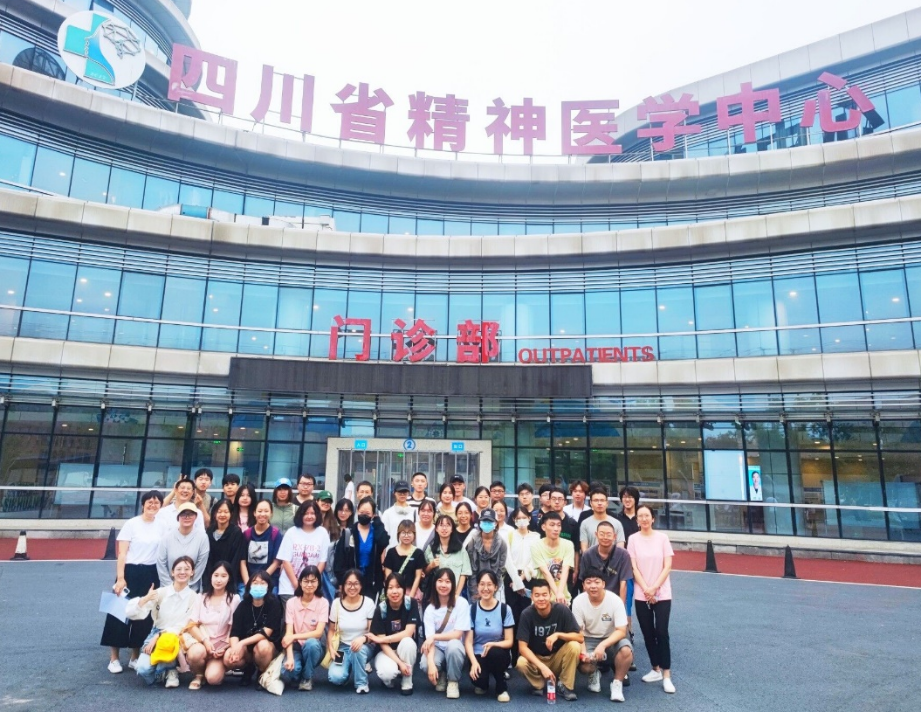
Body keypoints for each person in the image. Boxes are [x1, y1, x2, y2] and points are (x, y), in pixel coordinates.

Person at [100, 489, 165, 674]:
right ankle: (114, 659)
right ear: (143, 504)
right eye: (149, 502)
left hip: (151, 573)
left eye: (157, 502)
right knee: (118, 614)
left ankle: (135, 657)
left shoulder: (162, 526)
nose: (153, 505)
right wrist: (121, 578)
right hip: (129, 571)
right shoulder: (132, 524)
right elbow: (122, 553)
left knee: (144, 615)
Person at [126, 555, 198, 688]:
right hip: (157, 631)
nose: (182, 572)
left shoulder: (194, 598)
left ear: (192, 572)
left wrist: (159, 636)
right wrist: (145, 598)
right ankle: (165, 669)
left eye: (187, 569)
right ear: (172, 572)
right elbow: (132, 613)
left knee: (169, 640)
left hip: (178, 636)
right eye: (179, 569)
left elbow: (184, 624)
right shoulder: (161, 593)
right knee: (142, 669)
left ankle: (171, 669)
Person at [627, 505, 675, 694]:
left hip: (662, 592)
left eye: (647, 515)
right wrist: (646, 590)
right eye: (640, 516)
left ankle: (667, 674)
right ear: (637, 520)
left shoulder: (662, 538)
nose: (644, 519)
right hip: (642, 593)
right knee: (647, 632)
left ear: (653, 518)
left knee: (661, 632)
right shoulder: (633, 539)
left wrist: (654, 588)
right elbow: (633, 567)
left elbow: (667, 566)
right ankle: (655, 669)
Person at [515, 579, 582, 702]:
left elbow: (580, 637)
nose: (541, 598)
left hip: (557, 657)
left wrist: (558, 634)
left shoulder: (562, 610)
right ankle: (539, 684)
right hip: (537, 659)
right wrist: (542, 666)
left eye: (544, 594)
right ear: (532, 597)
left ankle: (565, 685)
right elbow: (522, 648)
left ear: (550, 595)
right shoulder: (526, 614)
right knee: (521, 662)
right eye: (537, 595)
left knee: (574, 646)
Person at [572, 568, 634, 703]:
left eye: (597, 582)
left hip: (611, 638)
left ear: (603, 584)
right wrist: (584, 653)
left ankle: (617, 683)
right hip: (588, 639)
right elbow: (578, 632)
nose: (593, 586)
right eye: (588, 582)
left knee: (626, 651)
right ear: (583, 586)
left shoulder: (615, 600)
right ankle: (594, 672)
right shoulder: (578, 602)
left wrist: (603, 645)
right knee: (583, 665)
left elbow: (621, 631)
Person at [185, 561, 241, 689]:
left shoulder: (234, 599)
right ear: (210, 576)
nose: (219, 580)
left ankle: (213, 668)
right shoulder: (201, 597)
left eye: (223, 576)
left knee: (213, 679)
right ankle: (199, 674)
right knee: (195, 653)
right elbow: (191, 624)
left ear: (229, 578)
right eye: (216, 575)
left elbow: (233, 629)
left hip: (222, 646)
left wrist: (224, 647)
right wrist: (205, 641)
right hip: (202, 641)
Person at [226, 569, 284, 686]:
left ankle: (261, 672)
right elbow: (235, 632)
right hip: (248, 648)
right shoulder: (243, 605)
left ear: (268, 587)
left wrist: (241, 643)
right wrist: (235, 649)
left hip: (268, 646)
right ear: (249, 586)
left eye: (262, 583)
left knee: (262, 646)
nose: (258, 586)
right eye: (255, 583)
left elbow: (266, 632)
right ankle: (248, 668)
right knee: (227, 658)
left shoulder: (274, 604)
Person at [464, 571, 515, 702]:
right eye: (482, 584)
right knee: (479, 681)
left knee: (494, 653)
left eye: (489, 584)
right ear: (477, 586)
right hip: (478, 654)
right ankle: (484, 682)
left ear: (496, 587)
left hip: (498, 653)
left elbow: (509, 641)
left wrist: (493, 644)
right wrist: (473, 662)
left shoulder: (505, 609)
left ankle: (501, 686)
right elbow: (468, 642)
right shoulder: (471, 610)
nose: (485, 588)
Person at [420, 568, 470, 699]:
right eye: (440, 581)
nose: (443, 585)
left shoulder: (461, 603)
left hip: (455, 646)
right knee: (425, 664)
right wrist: (431, 664)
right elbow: (429, 642)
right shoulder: (430, 609)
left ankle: (453, 681)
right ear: (434, 583)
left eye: (448, 582)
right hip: (437, 647)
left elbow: (457, 634)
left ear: (453, 584)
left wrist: (434, 636)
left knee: (453, 646)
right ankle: (441, 673)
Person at [368, 572, 420, 695]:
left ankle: (407, 681)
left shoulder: (411, 603)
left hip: (404, 649)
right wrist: (400, 663)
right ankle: (389, 679)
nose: (394, 591)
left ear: (404, 589)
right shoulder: (381, 609)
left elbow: (408, 633)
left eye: (398, 587)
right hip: (386, 651)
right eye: (390, 588)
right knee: (387, 674)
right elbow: (383, 645)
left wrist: (382, 639)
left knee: (408, 642)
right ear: (386, 591)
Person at [280, 565, 329, 691]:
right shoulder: (291, 602)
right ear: (300, 582)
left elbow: (318, 633)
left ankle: (307, 677)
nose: (309, 585)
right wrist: (290, 657)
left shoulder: (323, 602)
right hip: (296, 647)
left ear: (318, 583)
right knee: (287, 671)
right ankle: (298, 673)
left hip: (315, 647)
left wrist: (294, 636)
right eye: (306, 581)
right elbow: (288, 633)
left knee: (311, 643)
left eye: (313, 581)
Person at [327, 568, 376, 693]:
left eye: (356, 583)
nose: (352, 587)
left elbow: (373, 632)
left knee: (357, 650)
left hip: (364, 646)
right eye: (349, 583)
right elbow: (331, 630)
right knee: (335, 677)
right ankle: (348, 668)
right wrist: (331, 649)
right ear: (343, 586)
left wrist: (363, 639)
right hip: (343, 647)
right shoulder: (336, 603)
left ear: (361, 585)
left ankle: (361, 683)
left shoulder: (368, 603)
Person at [334, 497, 390, 599]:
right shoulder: (349, 533)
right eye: (361, 512)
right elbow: (339, 561)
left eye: (367, 513)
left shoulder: (376, 532)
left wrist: (378, 522)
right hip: (351, 583)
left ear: (373, 514)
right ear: (357, 511)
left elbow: (384, 542)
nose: (364, 515)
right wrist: (343, 581)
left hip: (372, 583)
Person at [465, 508, 521, 602]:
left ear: (495, 523)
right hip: (475, 587)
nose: (487, 524)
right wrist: (476, 590)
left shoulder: (502, 543)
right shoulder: (472, 541)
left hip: (495, 586)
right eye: (484, 521)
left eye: (490, 521)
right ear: (480, 523)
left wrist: (493, 588)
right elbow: (471, 568)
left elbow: (500, 569)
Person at [278, 500, 331, 598]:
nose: (309, 516)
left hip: (312, 589)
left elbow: (323, 562)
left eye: (312, 513)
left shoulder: (323, 533)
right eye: (306, 513)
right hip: (289, 588)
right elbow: (285, 561)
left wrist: (310, 583)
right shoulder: (291, 532)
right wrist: (297, 586)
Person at [157, 502, 210, 592]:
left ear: (196, 517)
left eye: (190, 514)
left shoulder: (202, 537)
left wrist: (186, 587)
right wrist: (171, 587)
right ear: (178, 517)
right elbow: (161, 563)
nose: (187, 517)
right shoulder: (167, 537)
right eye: (183, 514)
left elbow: (201, 565)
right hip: (168, 589)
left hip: (191, 589)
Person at [614, 485, 641, 653]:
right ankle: (628, 631)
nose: (627, 499)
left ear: (636, 499)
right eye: (624, 497)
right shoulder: (617, 519)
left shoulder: (642, 517)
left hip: (643, 565)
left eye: (630, 497)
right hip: (626, 566)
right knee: (626, 600)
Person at [579, 521, 633, 602]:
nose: (605, 537)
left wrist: (621, 605)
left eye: (608, 534)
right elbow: (585, 582)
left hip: (615, 598)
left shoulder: (623, 555)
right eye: (601, 534)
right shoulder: (588, 555)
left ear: (614, 536)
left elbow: (623, 583)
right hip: (594, 598)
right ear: (596, 534)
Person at [531, 511, 575, 604]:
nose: (556, 529)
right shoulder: (536, 546)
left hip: (562, 597)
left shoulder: (568, 544)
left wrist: (560, 594)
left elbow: (565, 570)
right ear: (543, 527)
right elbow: (545, 572)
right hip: (542, 596)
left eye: (559, 525)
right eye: (552, 525)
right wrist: (557, 593)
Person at [424, 514, 471, 597]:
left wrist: (456, 595)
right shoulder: (430, 548)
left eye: (448, 525)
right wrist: (431, 566)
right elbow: (424, 573)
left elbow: (464, 574)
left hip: (455, 594)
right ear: (436, 529)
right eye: (441, 525)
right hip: (435, 595)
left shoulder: (460, 549)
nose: (444, 528)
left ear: (452, 529)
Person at [241, 499, 282, 593]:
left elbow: (276, 562)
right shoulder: (247, 534)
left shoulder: (276, 534)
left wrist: (261, 581)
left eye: (266, 511)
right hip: (249, 581)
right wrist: (248, 583)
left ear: (271, 513)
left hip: (269, 582)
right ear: (254, 513)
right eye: (259, 511)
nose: (262, 514)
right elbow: (242, 562)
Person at [506, 506, 538, 627]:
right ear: (514, 520)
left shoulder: (536, 537)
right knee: (512, 613)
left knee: (527, 612)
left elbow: (534, 559)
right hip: (511, 578)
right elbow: (508, 559)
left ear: (529, 518)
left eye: (524, 517)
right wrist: (516, 579)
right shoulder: (509, 535)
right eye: (518, 518)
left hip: (528, 579)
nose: (521, 520)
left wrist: (522, 578)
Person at [204, 498, 244, 590]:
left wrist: (227, 578)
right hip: (210, 578)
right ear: (215, 513)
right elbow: (207, 558)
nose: (222, 515)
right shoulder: (209, 531)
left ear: (231, 514)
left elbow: (236, 559)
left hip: (229, 579)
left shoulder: (236, 532)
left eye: (226, 512)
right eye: (219, 511)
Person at [382, 519, 426, 600]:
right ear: (398, 534)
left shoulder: (418, 553)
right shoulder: (391, 552)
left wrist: (411, 597)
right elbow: (388, 575)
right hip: (394, 592)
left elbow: (418, 576)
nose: (406, 536)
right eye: (403, 533)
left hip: (412, 591)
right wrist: (394, 591)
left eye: (409, 533)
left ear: (414, 535)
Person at [325, 498, 354, 599]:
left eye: (346, 510)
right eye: (340, 510)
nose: (343, 513)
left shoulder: (353, 529)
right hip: (330, 568)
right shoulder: (329, 528)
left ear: (351, 512)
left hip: (346, 569)